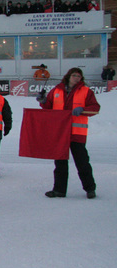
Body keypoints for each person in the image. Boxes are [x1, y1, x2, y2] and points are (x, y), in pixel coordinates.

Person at [37, 68, 100, 199]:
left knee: (82, 162)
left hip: (77, 133)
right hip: (60, 133)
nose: (76, 78)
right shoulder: (56, 90)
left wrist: (83, 109)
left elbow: (95, 108)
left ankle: (90, 189)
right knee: (60, 163)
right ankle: (59, 190)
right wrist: (43, 101)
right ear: (68, 76)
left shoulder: (86, 91)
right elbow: (49, 107)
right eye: (74, 75)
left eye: (79, 76)